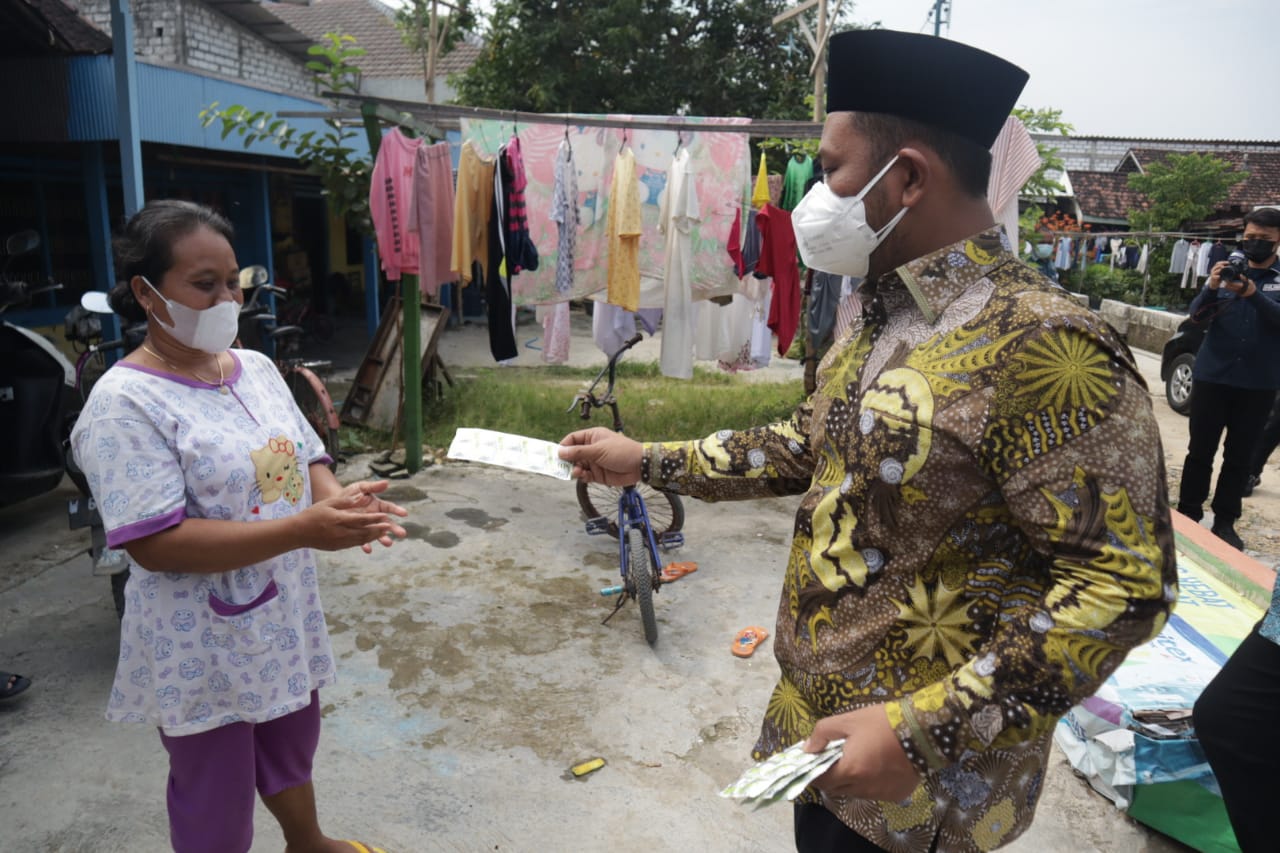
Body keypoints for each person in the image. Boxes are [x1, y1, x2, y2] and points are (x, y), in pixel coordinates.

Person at [560, 30, 1175, 853]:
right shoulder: (877, 311)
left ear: (908, 177)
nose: (817, 195)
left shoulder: (1045, 344)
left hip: (921, 793)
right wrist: (649, 460)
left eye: (833, 169)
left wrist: (925, 729)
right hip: (817, 735)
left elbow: (1124, 584)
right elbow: (808, 441)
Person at [70, 200, 408, 853]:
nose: (227, 299)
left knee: (290, 741)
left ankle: (308, 842)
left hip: (280, 610)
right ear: (146, 292)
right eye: (205, 284)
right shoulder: (123, 403)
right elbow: (155, 542)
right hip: (200, 638)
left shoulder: (252, 368)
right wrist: (304, 530)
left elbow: (301, 456)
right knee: (216, 788)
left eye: (233, 282)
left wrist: (338, 503)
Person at [1175, 207, 1280, 550]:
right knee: (1199, 451)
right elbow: (1196, 315)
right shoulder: (1228, 271)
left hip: (1258, 382)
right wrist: (1211, 286)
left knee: (1239, 457)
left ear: (1278, 240)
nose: (1256, 243)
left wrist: (1253, 294)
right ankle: (1188, 514)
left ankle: (1224, 522)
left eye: (1264, 239)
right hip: (1213, 376)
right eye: (1250, 237)